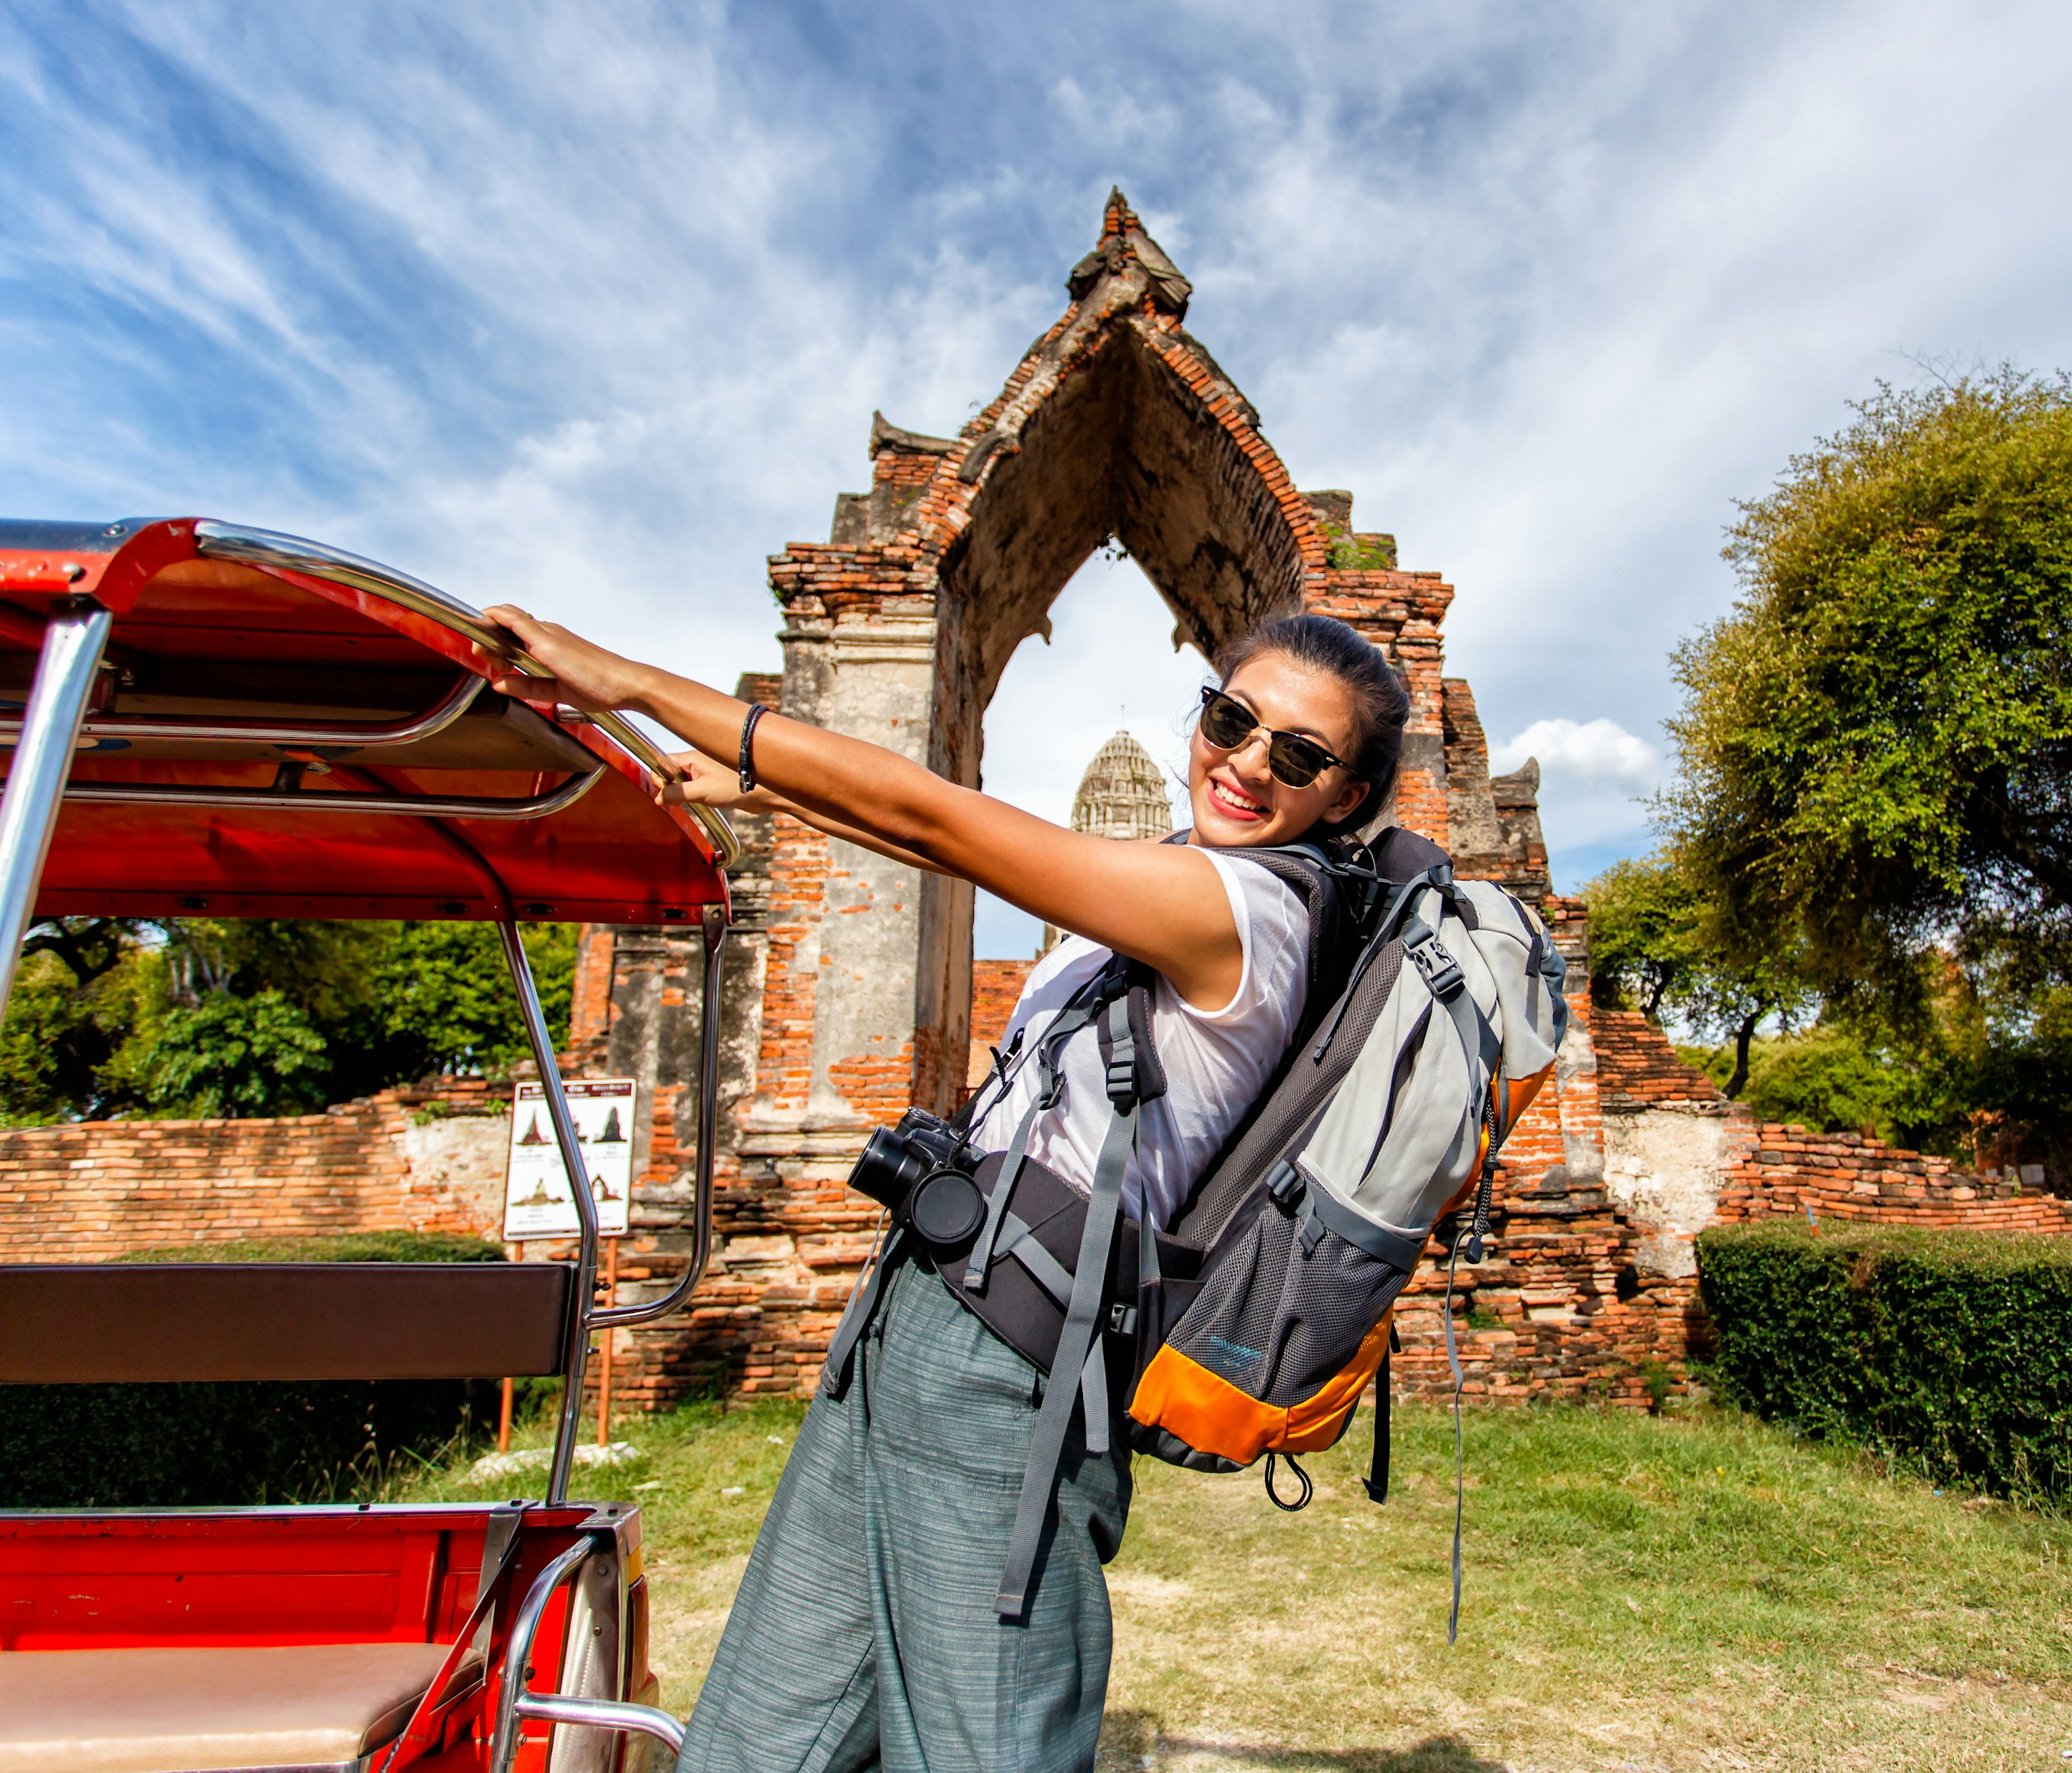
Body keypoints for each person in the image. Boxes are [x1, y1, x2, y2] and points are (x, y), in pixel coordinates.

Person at [481, 605, 1410, 1773]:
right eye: (1232, 719)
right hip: (914, 1318)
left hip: (1011, 1370)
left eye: (1299, 755)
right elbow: (938, 845)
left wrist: (625, 677)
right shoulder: (1172, 873)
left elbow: (934, 813)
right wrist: (769, 794)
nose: (1246, 761)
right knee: (758, 1741)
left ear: (1345, 794)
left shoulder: (1250, 911)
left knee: (988, 1747)